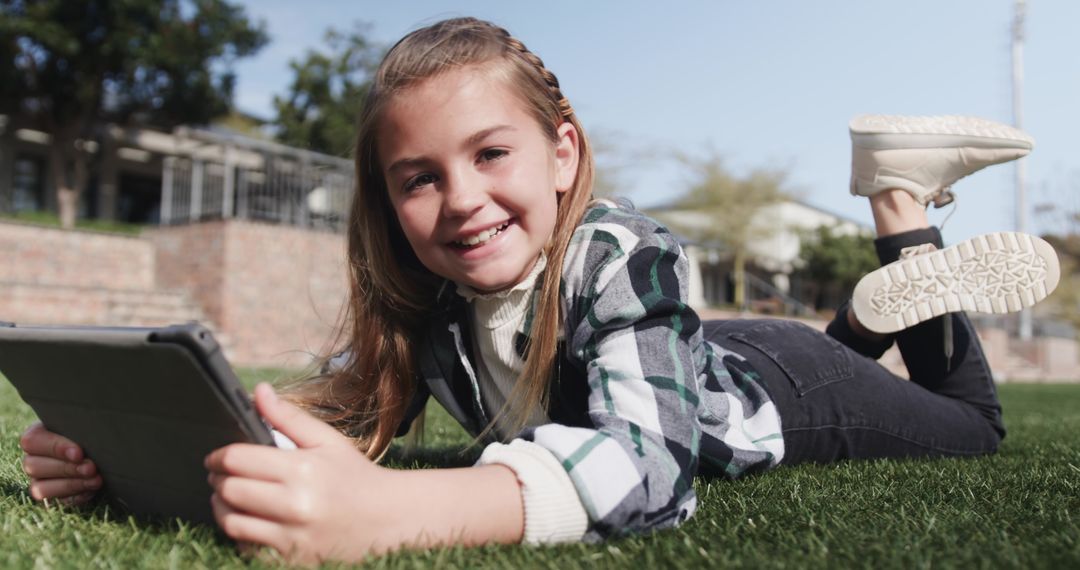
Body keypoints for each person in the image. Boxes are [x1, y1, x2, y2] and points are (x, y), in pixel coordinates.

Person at [18, 17, 1059, 564]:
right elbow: (331, 427)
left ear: (563, 154)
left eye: (490, 155)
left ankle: (896, 207)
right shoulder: (425, 298)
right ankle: (871, 308)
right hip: (695, 355)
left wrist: (395, 511)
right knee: (694, 363)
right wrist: (128, 457)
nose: (459, 200)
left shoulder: (620, 252)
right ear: (387, 200)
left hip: (789, 389)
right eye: (418, 177)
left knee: (973, 423)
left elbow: (653, 473)